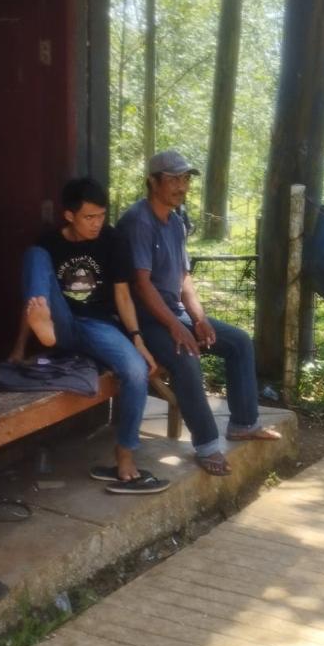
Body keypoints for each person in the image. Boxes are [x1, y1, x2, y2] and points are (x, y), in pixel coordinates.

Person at [117, 150, 279, 476]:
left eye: (185, 179)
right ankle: (206, 445)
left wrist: (198, 318)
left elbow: (184, 278)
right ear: (153, 182)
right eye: (173, 180)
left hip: (173, 312)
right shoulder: (138, 221)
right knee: (187, 356)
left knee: (238, 342)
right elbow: (142, 286)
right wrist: (176, 326)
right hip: (143, 320)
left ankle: (244, 423)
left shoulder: (176, 222)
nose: (182, 186)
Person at [17, 177, 168, 495]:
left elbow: (123, 295)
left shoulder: (112, 240)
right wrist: (18, 350)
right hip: (58, 321)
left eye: (101, 215)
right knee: (35, 256)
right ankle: (46, 333)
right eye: (89, 217)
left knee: (136, 371)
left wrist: (137, 338)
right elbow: (33, 306)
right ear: (69, 215)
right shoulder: (50, 243)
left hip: (97, 325)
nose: (97, 223)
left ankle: (125, 454)